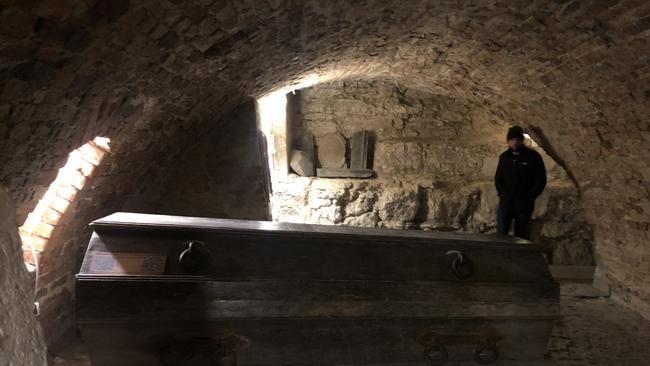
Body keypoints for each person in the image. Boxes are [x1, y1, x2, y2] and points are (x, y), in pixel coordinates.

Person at [494, 126, 546, 239]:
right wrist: (501, 193)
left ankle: (518, 256)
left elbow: (540, 179)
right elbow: (498, 178)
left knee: (521, 234)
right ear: (508, 141)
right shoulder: (504, 157)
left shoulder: (533, 157)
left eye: (517, 139)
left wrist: (531, 196)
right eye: (512, 139)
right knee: (501, 232)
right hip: (507, 201)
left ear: (522, 140)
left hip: (524, 203)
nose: (515, 142)